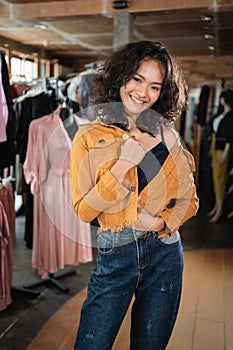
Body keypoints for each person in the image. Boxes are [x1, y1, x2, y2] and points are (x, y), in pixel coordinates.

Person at [70, 40, 199, 350]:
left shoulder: (167, 135)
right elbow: (83, 211)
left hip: (166, 254)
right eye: (137, 79)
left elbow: (190, 201)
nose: (144, 92)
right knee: (92, 343)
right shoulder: (90, 136)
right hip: (117, 251)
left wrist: (158, 224)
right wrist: (123, 165)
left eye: (155, 86)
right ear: (120, 77)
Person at [207, 90, 233, 223]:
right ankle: (216, 207)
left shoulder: (231, 116)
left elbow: (230, 136)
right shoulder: (221, 113)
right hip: (215, 146)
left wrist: (226, 153)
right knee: (216, 178)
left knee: (220, 179)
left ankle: (219, 210)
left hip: (222, 148)